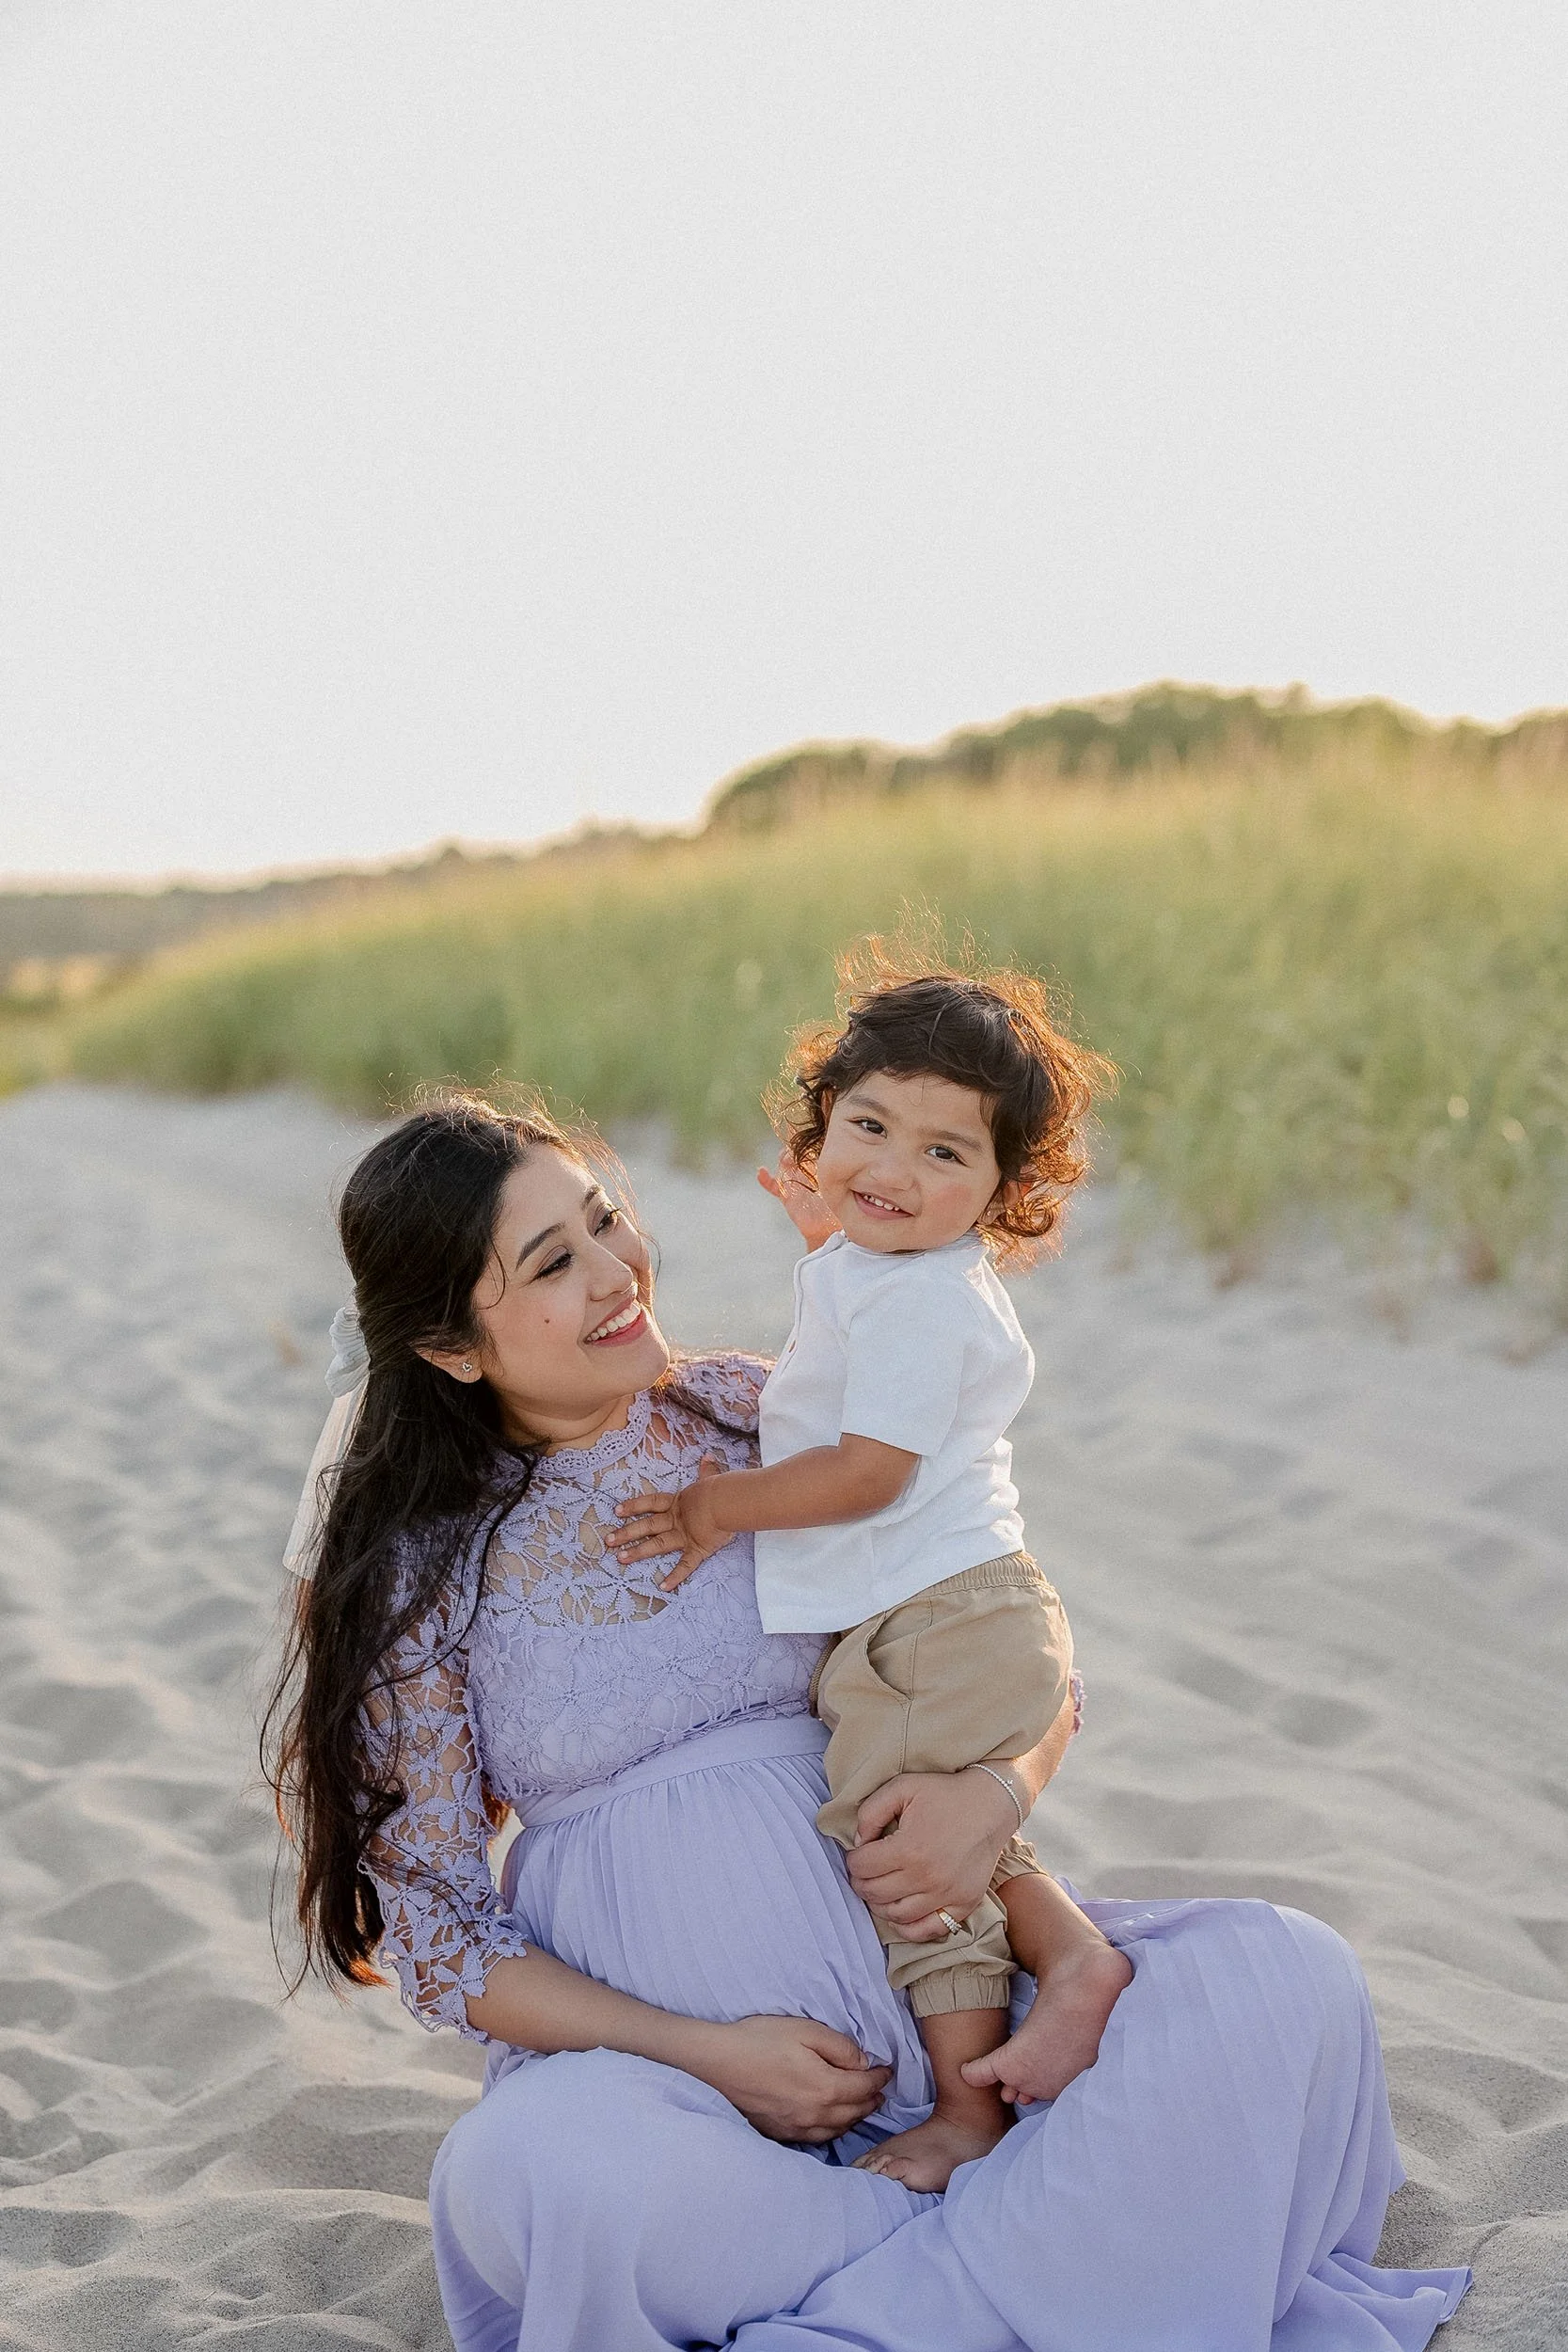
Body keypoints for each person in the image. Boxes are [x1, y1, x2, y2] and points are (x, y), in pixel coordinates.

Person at [267, 1089, 1470, 2352]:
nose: (619, 1271)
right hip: (697, 2110)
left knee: (1284, 1978)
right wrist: (709, 2053)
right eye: (556, 1263)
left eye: (607, 1219)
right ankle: (1031, 2271)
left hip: (969, 2042)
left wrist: (998, 1790)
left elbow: (1015, 1648)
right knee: (529, 2176)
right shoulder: (419, 1566)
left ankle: (908, 2298)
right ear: (453, 1344)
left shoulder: (764, 1420)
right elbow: (443, 1936)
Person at [612, 950, 1126, 2188]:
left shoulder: (913, 1304)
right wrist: (828, 1248)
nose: (892, 1170)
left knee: (899, 1856)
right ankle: (1074, 1960)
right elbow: (863, 1319)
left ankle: (965, 2111)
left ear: (1004, 1194)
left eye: (945, 1155)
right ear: (820, 1123)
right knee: (935, 1819)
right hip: (961, 1609)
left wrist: (711, 1509)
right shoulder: (889, 1275)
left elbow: (864, 1474)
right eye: (868, 1127)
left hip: (937, 1617)